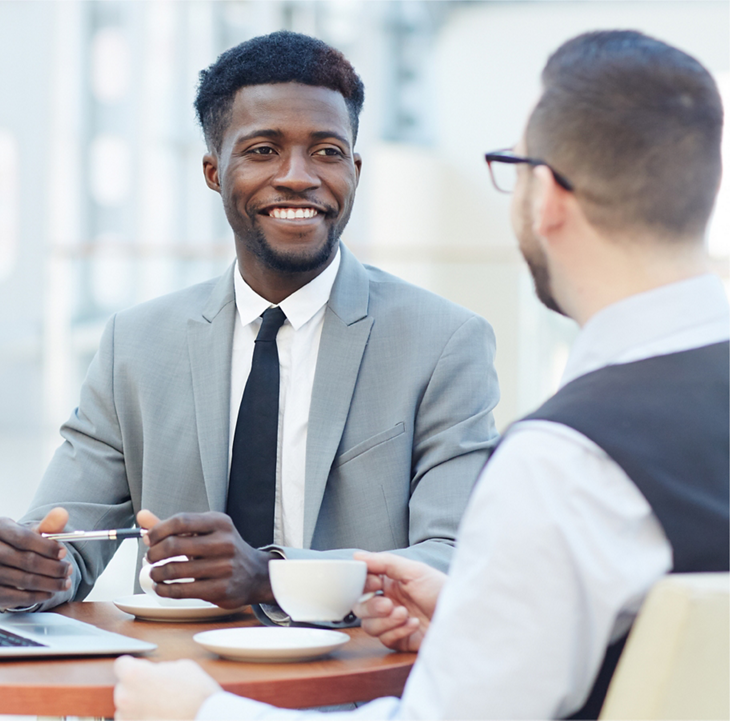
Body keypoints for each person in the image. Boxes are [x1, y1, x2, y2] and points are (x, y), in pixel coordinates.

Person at [112, 29, 729, 720]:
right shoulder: (609, 449)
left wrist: (200, 713)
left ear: (547, 196)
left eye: (513, 168)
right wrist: (472, 620)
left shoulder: (564, 462)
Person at [0, 31, 500, 619]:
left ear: (354, 169)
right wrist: (22, 574)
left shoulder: (444, 343)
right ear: (213, 171)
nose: (298, 176)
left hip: (360, 669)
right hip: (174, 666)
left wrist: (271, 576)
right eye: (263, 150)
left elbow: (453, 558)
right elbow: (61, 537)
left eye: (326, 151)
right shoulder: (136, 344)